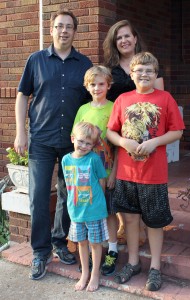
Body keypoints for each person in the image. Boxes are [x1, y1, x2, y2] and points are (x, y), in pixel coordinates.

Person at [14, 9, 92, 280]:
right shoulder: (35, 60)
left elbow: (89, 101)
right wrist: (20, 132)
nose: (64, 31)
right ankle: (40, 250)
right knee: (37, 198)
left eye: (69, 26)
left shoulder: (84, 63)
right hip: (42, 140)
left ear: (75, 31)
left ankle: (60, 242)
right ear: (52, 29)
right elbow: (23, 95)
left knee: (68, 194)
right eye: (59, 26)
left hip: (74, 142)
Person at [106, 52, 185, 291]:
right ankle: (133, 262)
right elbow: (111, 131)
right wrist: (123, 143)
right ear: (131, 74)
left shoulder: (165, 98)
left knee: (154, 221)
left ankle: (155, 267)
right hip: (127, 173)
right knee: (129, 219)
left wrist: (155, 142)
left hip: (154, 173)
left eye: (149, 70)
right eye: (139, 70)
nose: (144, 74)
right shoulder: (122, 99)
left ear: (156, 74)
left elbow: (177, 131)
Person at [103, 19, 164, 245]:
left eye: (127, 36)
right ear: (114, 43)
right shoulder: (111, 70)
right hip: (119, 133)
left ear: (135, 38)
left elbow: (160, 102)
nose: (124, 40)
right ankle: (127, 224)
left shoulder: (148, 65)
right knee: (119, 178)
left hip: (147, 135)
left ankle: (145, 225)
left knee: (145, 181)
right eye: (118, 38)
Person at [73, 66, 118, 276]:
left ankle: (112, 249)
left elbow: (118, 146)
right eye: (93, 84)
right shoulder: (83, 110)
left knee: (108, 211)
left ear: (108, 85)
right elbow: (76, 139)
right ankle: (93, 250)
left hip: (106, 169)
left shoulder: (114, 107)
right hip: (85, 174)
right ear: (87, 86)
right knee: (91, 212)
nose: (97, 88)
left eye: (101, 84)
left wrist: (114, 173)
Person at [62, 121, 108, 292]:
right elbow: (69, 184)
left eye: (88, 143)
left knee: (95, 243)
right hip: (76, 210)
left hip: (94, 210)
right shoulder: (66, 160)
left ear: (93, 145)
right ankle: (85, 273)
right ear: (73, 138)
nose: (84, 145)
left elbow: (102, 180)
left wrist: (99, 201)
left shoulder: (94, 159)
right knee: (82, 243)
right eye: (81, 141)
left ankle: (95, 274)